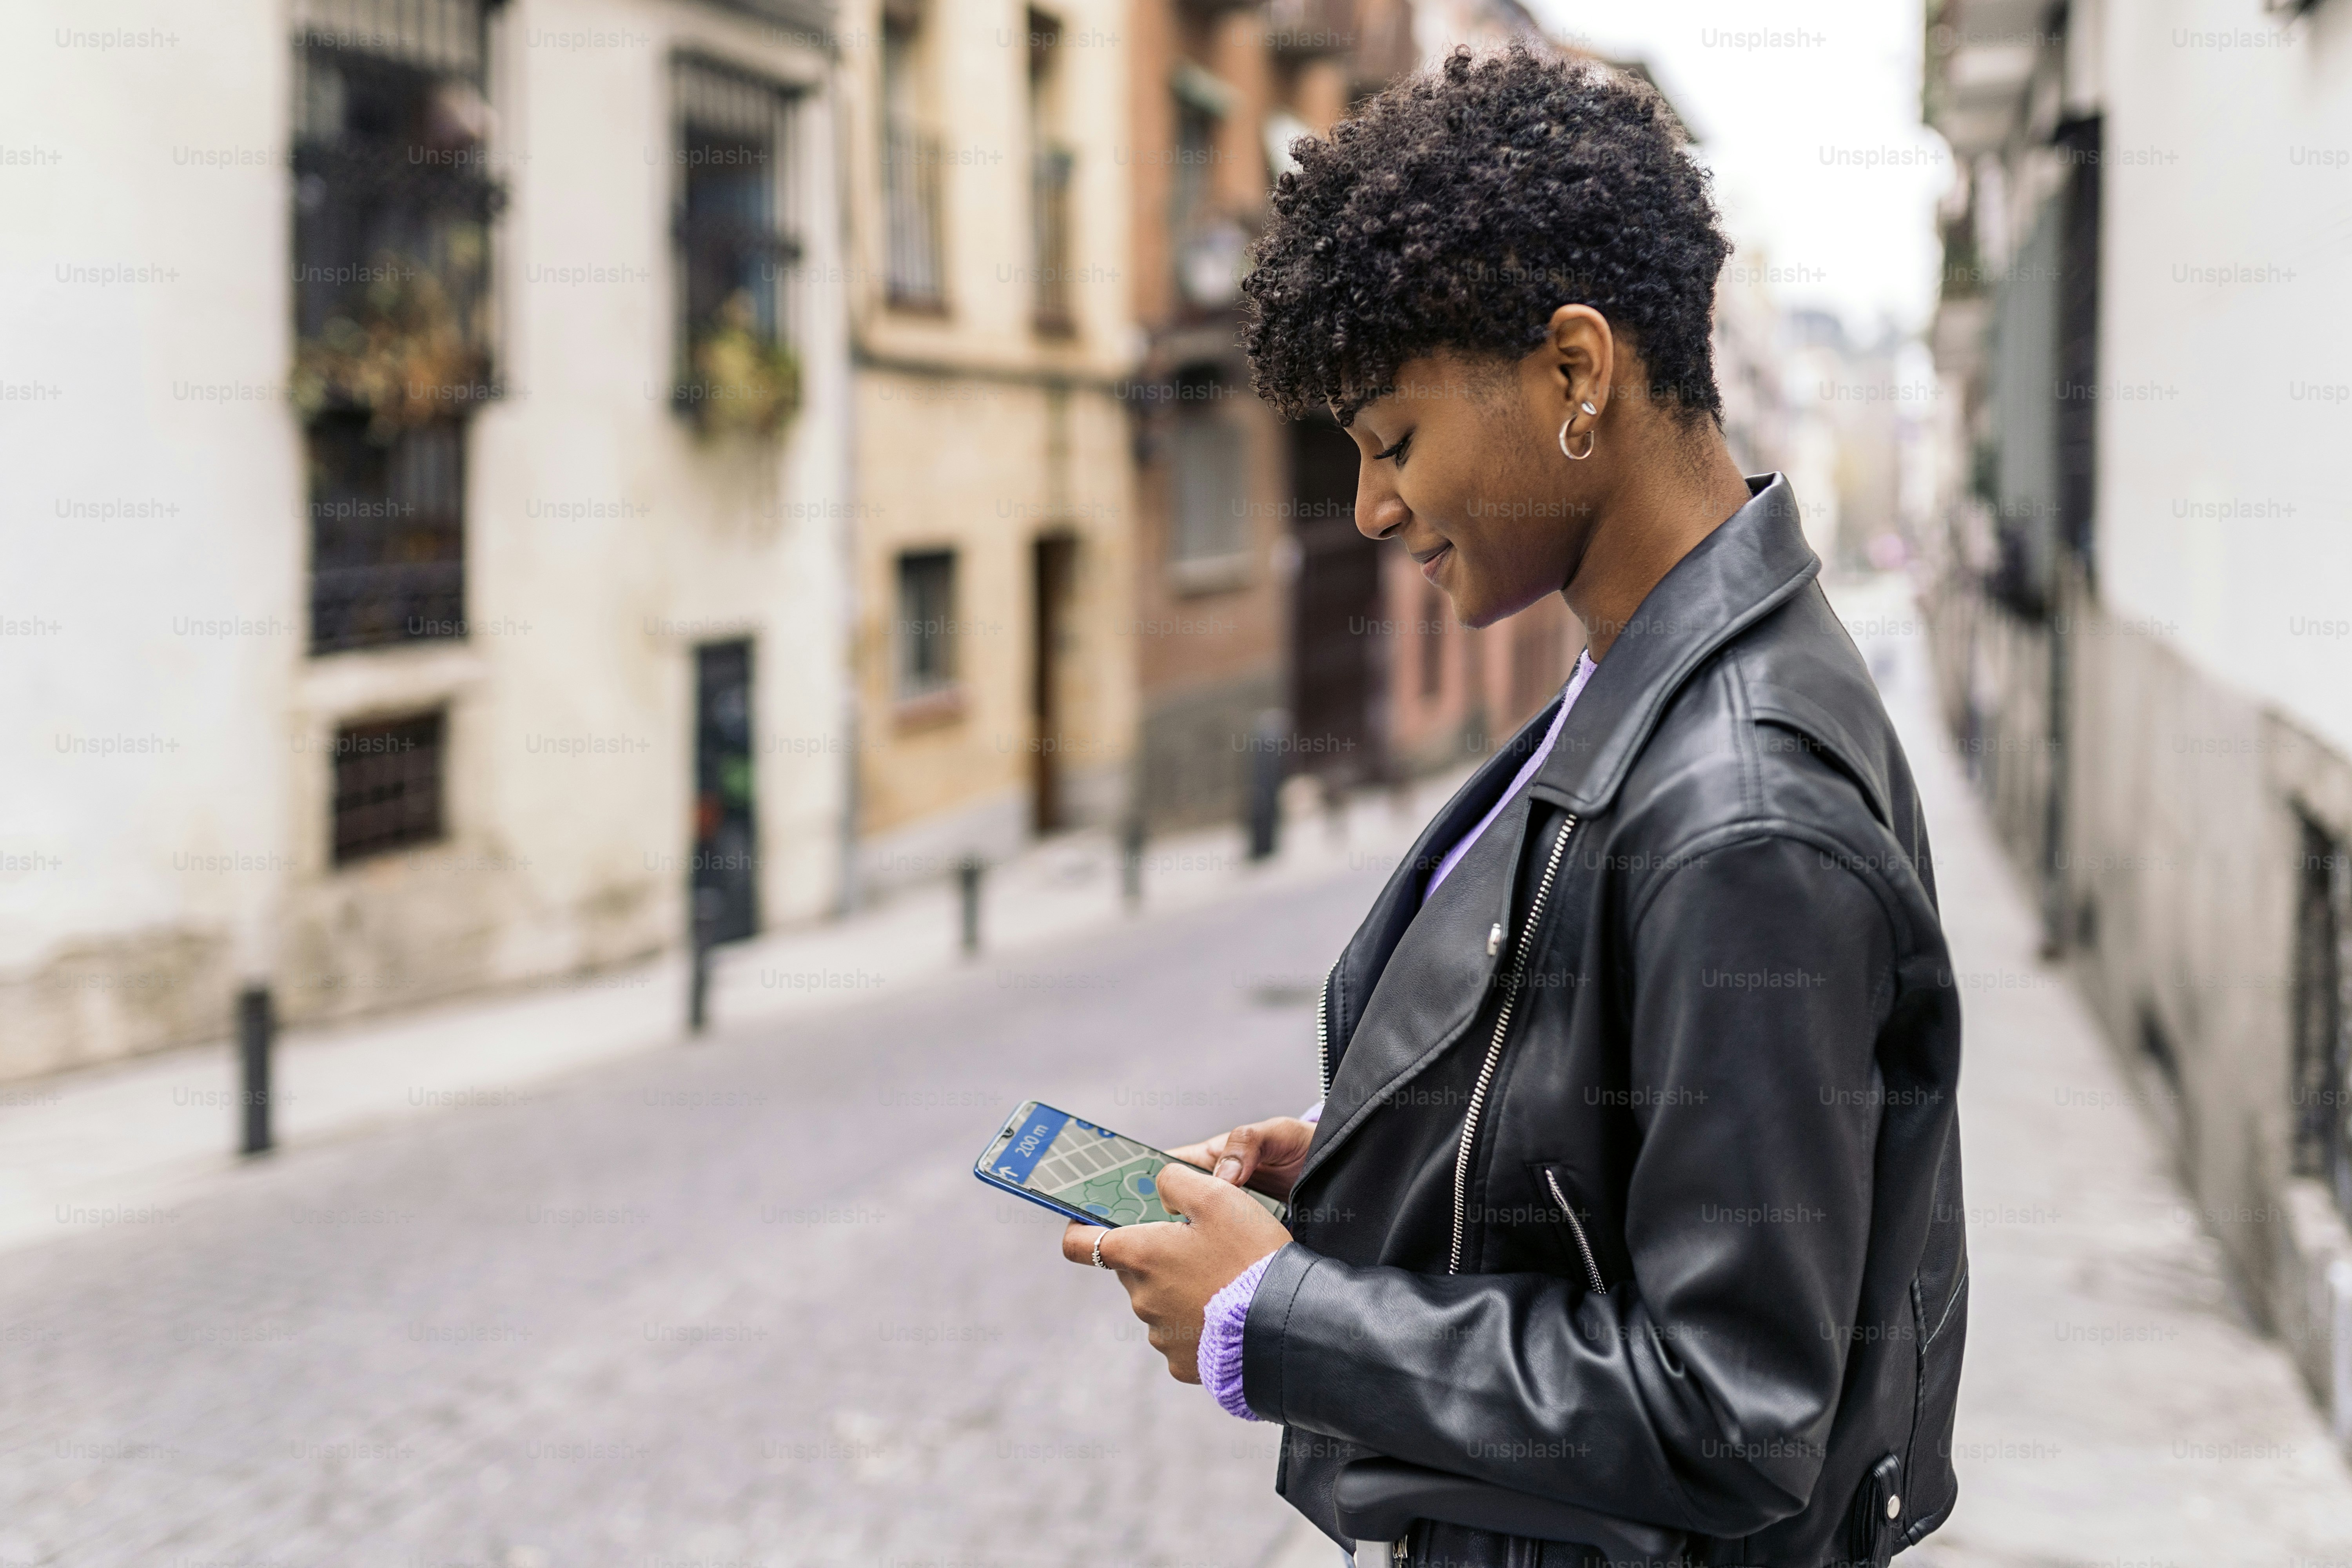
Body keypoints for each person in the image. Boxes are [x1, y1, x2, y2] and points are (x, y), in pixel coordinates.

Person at [1060, 44, 1965, 1568]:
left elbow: (1734, 1408)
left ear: (1574, 372)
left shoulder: (1744, 807)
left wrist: (1279, 1317)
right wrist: (1380, 1158)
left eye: (1395, 441)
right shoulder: (1655, 672)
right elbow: (1623, 1117)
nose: (1373, 508)